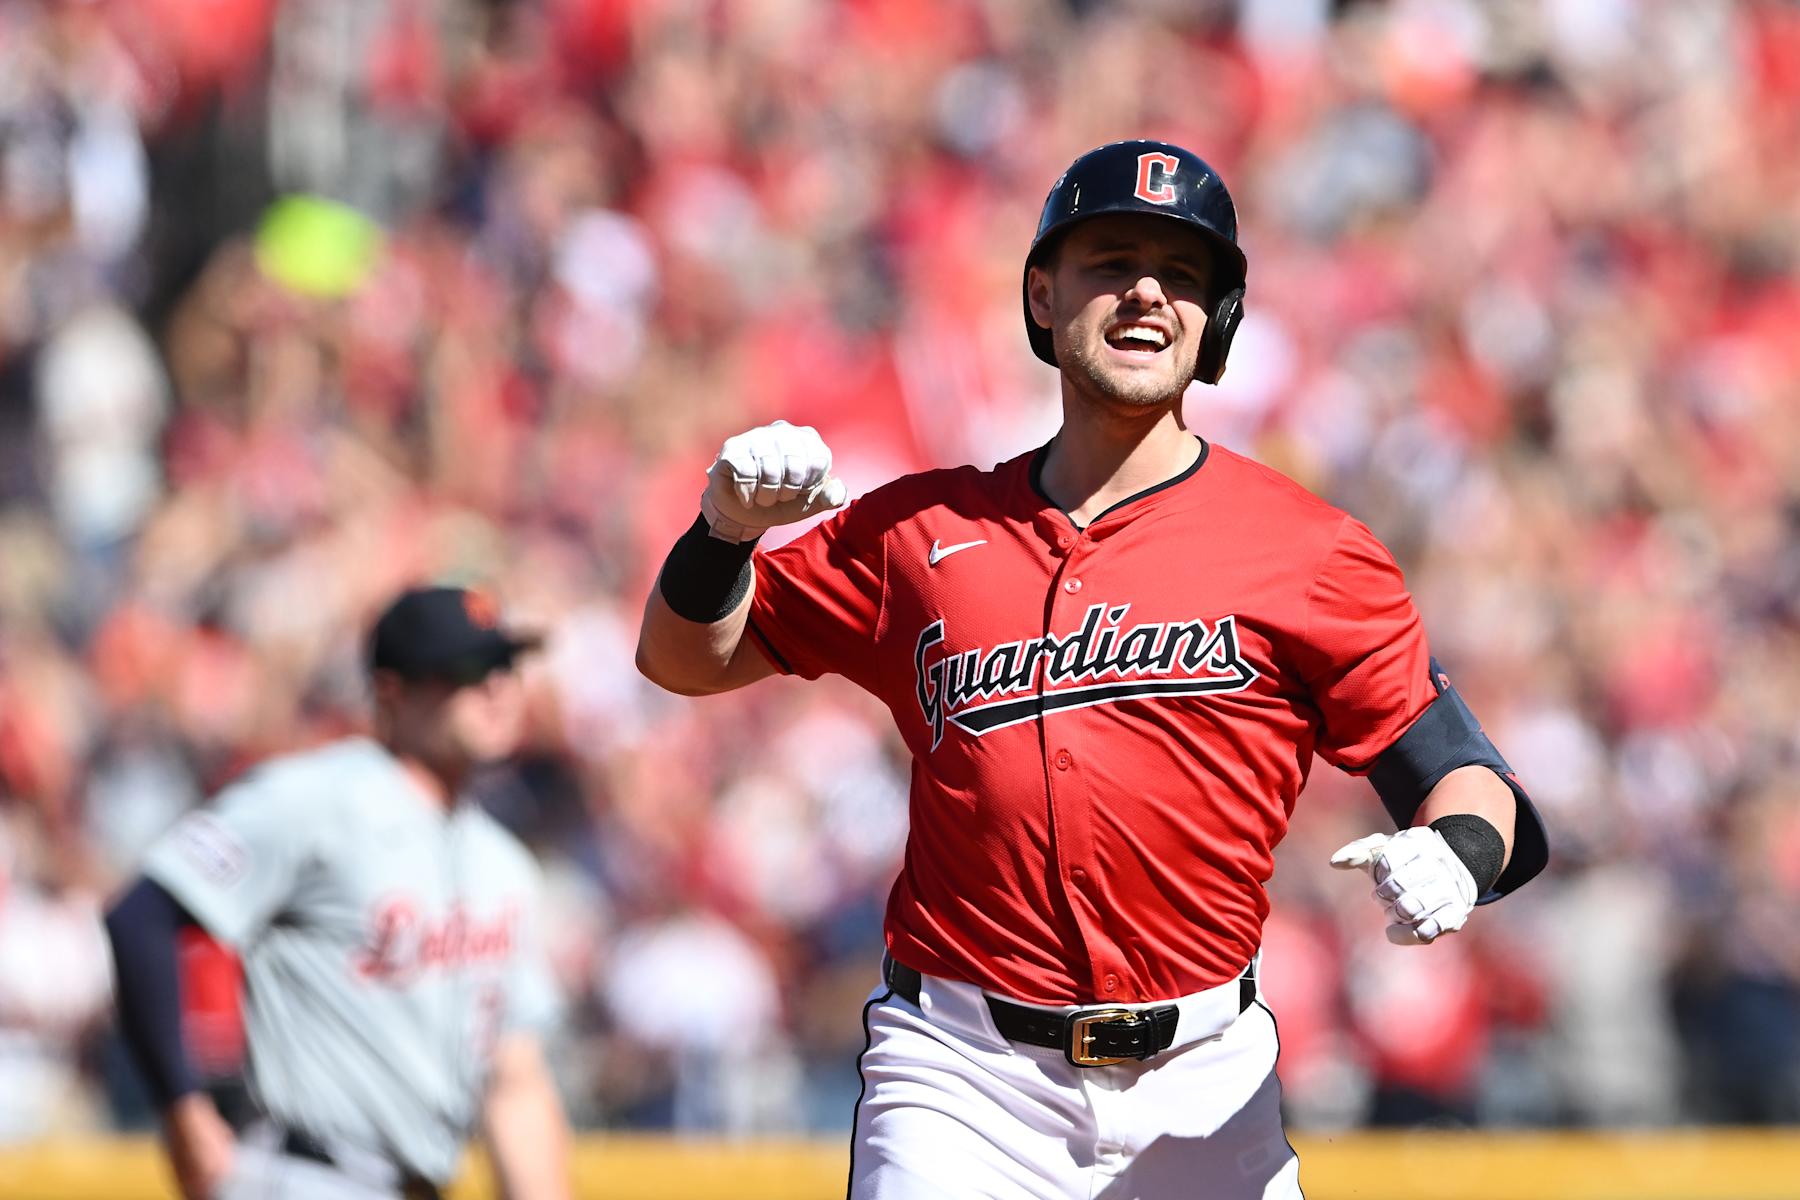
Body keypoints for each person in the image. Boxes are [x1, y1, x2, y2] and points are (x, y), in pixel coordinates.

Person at [636, 139, 1549, 1199]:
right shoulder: (918, 531)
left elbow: (1469, 774)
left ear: (1221, 323)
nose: (1146, 293)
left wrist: (1459, 852)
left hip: (1207, 1081)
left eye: (1184, 275)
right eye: (1110, 262)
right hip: (963, 1078)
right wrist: (722, 535)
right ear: (1043, 293)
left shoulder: (1308, 550)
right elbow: (680, 659)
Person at [105, 586, 572, 1200]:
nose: (496, 688)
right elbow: (141, 915)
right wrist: (182, 1111)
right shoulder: (315, 798)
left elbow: (514, 1079)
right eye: (464, 670)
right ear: (391, 694)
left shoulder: (502, 860)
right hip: (306, 1173)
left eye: (505, 666)